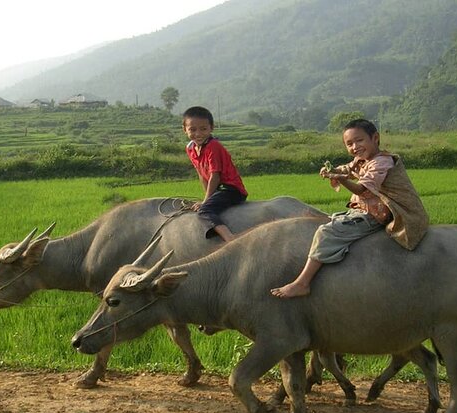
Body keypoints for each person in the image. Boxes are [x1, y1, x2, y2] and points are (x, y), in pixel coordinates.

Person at [271, 118, 429, 298]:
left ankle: (302, 283)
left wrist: (341, 179)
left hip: (380, 213)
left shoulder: (382, 162)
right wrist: (333, 171)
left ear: (375, 138)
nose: (355, 147)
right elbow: (346, 168)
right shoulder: (361, 160)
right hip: (366, 209)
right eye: (349, 144)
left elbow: (362, 188)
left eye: (359, 140)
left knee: (326, 232)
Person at [183, 106, 248, 242]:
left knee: (204, 211)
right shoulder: (191, 149)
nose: (198, 133)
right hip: (219, 190)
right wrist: (207, 197)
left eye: (203, 129)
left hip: (230, 189)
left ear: (211, 128)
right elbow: (202, 174)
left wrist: (206, 202)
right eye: (192, 129)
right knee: (205, 206)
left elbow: (215, 176)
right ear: (185, 130)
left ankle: (230, 239)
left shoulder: (213, 146)